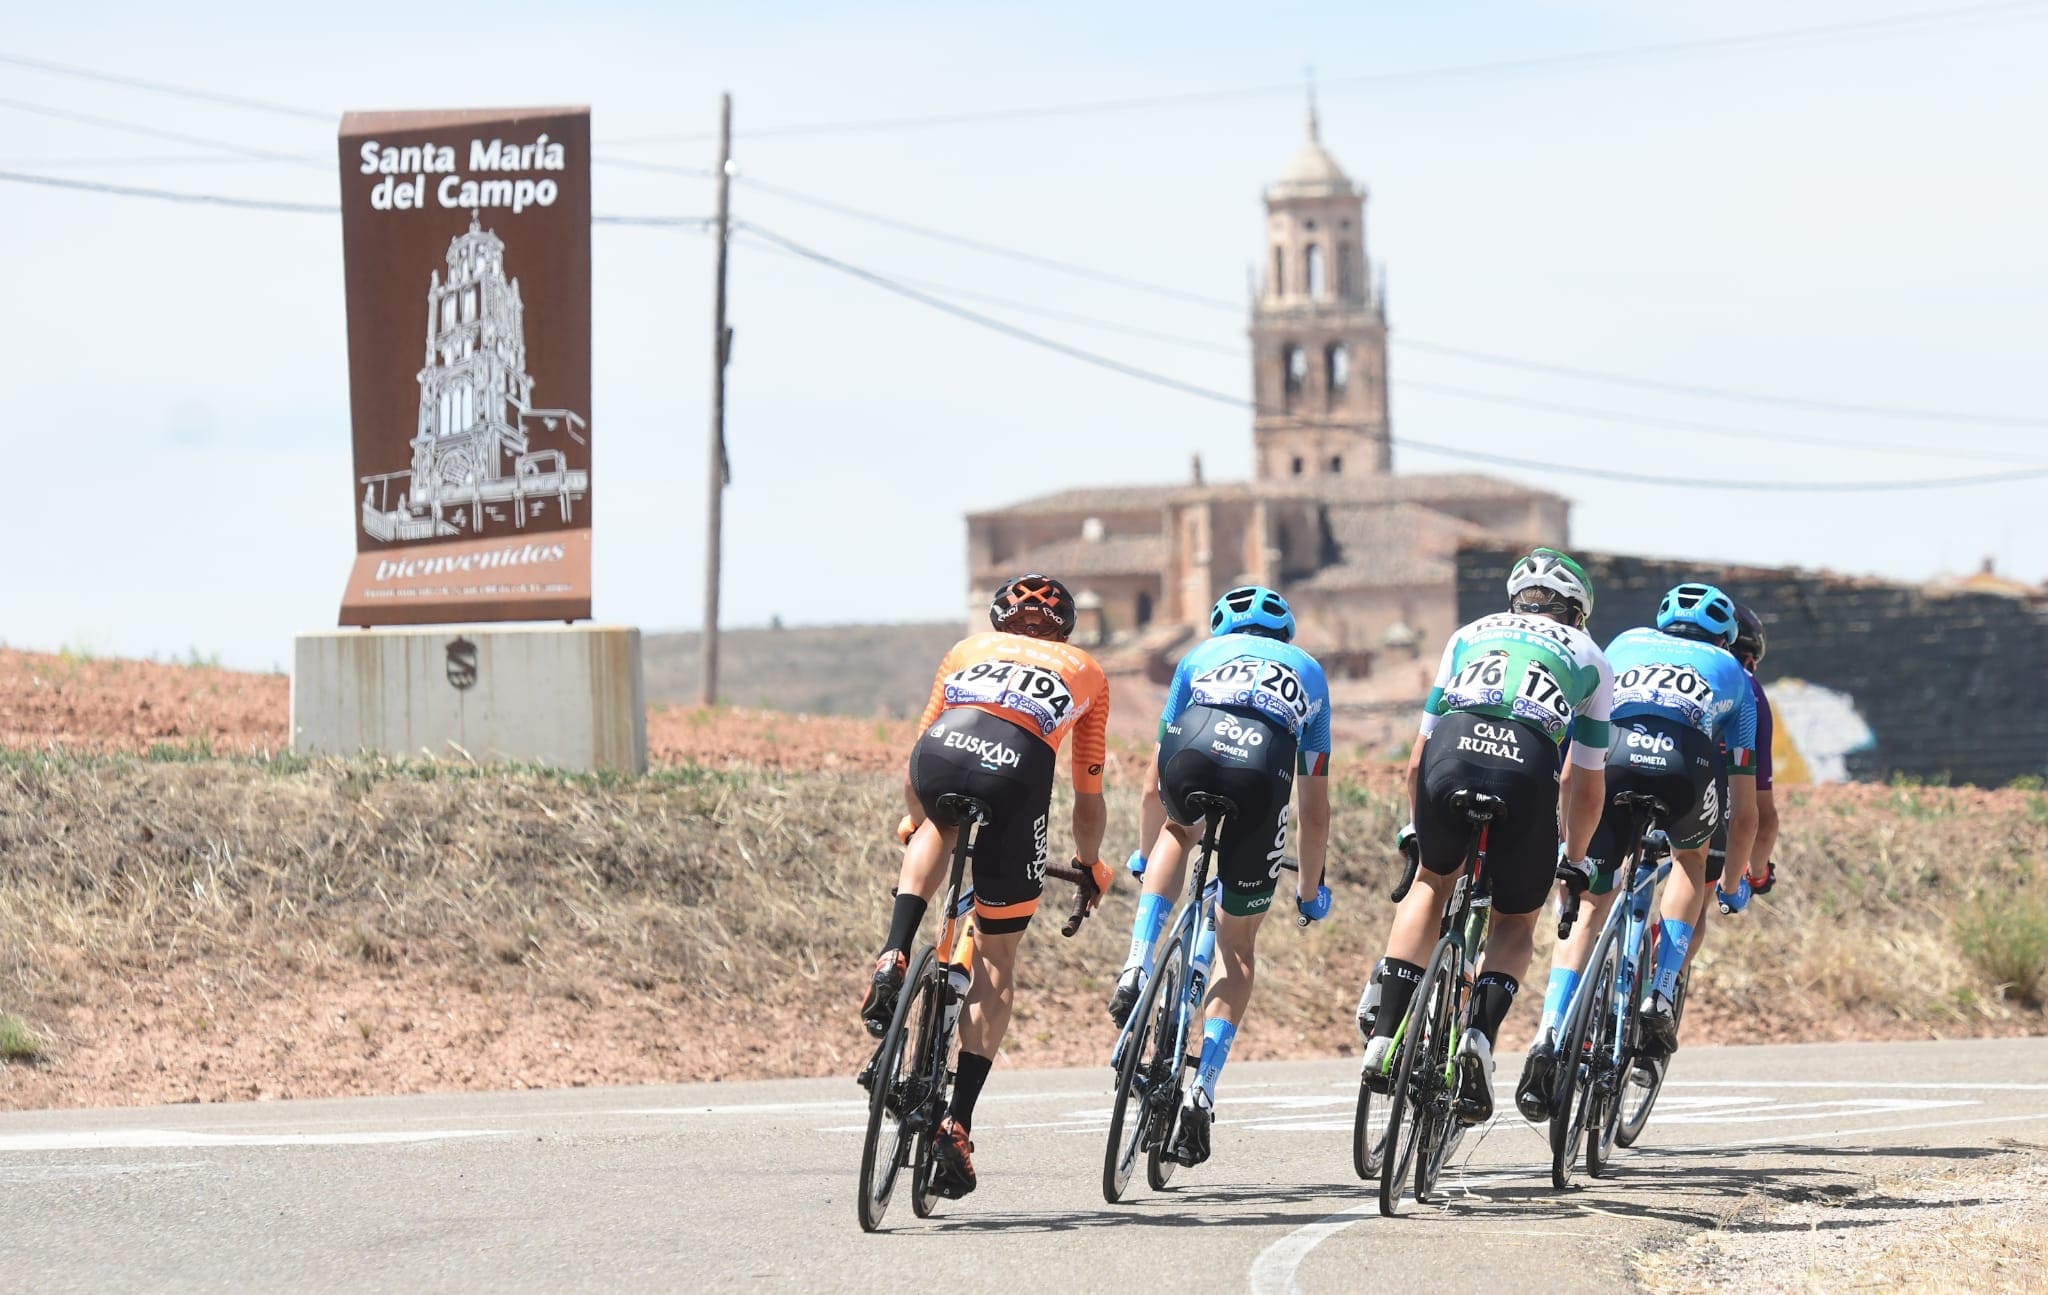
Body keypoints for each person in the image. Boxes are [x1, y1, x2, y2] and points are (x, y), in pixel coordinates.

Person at [859, 573, 1114, 1199]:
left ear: (1003, 619)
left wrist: (917, 820)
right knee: (998, 959)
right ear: (1064, 627)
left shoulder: (967, 649)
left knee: (936, 831)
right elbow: (1087, 795)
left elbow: (920, 747)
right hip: (1015, 772)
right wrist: (1089, 864)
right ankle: (958, 1122)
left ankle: (894, 951)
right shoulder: (1085, 669)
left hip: (941, 755)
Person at [1357, 549, 1614, 1125]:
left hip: (1450, 755)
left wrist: (1416, 824)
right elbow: (1583, 780)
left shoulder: (1468, 634)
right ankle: (1479, 1035)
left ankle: (1385, 1033)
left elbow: (1418, 754)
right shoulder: (1592, 656)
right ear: (1576, 612)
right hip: (1526, 769)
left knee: (1430, 882)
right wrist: (1573, 860)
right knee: (1516, 920)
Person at [1107, 585, 1333, 1167]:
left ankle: (1136, 962)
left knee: (1178, 834)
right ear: (1283, 637)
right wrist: (1310, 892)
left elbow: (1151, 780)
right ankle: (1202, 1093)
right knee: (1236, 946)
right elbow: (1314, 805)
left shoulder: (1198, 657)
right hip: (1262, 772)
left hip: (1195, 750)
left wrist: (1143, 851)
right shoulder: (1308, 670)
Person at [1515, 582, 1759, 1120]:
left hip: (1616, 756)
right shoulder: (1735, 676)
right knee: (1691, 862)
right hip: (1684, 767)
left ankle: (1549, 1031)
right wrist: (1735, 884)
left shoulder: (1623, 642)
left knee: (1592, 909)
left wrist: (1567, 846)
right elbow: (1744, 813)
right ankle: (1662, 992)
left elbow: (1576, 755)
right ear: (1728, 637)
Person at [1712, 604, 1779, 913]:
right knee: (1693, 886)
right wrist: (1756, 874)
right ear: (1749, 660)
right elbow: (1761, 817)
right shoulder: (1748, 688)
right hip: (1703, 794)